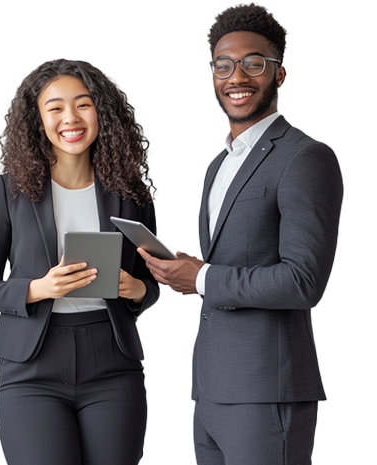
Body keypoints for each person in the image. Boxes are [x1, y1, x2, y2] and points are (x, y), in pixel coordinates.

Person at [138, 3, 343, 465]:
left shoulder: (305, 158)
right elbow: (230, 261)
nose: (237, 77)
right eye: (223, 65)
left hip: (267, 390)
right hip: (211, 389)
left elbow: (303, 281)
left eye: (254, 63)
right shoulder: (220, 164)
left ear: (279, 73)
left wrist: (205, 277)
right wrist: (187, 272)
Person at [0, 58, 159, 465]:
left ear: (102, 112)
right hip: (31, 368)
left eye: (83, 104)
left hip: (112, 362)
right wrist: (39, 289)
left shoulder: (131, 192)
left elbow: (149, 281)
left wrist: (138, 290)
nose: (70, 117)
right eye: (55, 107)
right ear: (38, 120)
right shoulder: (8, 191)